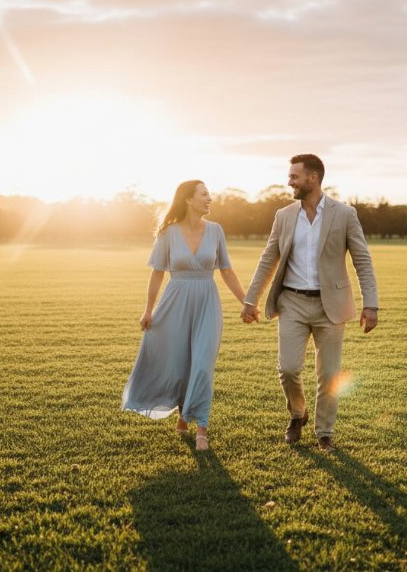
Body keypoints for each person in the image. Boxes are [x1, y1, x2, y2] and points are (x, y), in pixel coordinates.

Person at [241, 154, 378, 452]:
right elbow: (269, 258)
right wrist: (251, 299)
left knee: (329, 374)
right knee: (288, 368)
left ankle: (325, 432)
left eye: (294, 176)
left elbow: (362, 260)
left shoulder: (345, 214)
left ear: (313, 178)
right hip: (292, 302)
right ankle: (297, 414)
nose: (289, 181)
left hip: (332, 305)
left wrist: (371, 304)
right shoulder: (284, 215)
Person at [122, 180, 247, 451]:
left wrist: (246, 302)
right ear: (188, 200)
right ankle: (182, 414)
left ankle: (201, 427)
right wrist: (148, 310)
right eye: (204, 194)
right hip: (174, 302)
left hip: (207, 302)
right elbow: (157, 273)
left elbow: (226, 270)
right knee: (179, 362)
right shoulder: (168, 233)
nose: (210, 199)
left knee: (202, 363)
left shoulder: (216, 231)